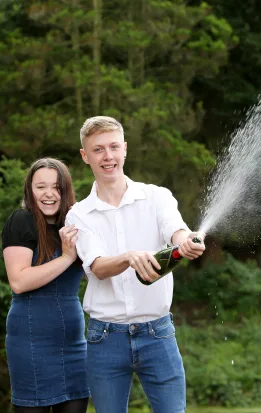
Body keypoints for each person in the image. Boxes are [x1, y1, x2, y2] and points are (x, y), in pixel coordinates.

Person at [65, 116, 206, 413]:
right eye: (98, 149)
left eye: (114, 147)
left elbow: (175, 229)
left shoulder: (157, 197)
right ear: (85, 156)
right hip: (105, 338)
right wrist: (129, 256)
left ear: (125, 149)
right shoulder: (79, 215)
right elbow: (98, 267)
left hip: (158, 334)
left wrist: (187, 239)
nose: (108, 156)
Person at [2, 158, 90, 413]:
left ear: (66, 191)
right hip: (31, 340)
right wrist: (65, 258)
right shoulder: (21, 221)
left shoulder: (76, 227)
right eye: (41, 187)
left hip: (73, 341)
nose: (49, 194)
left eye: (57, 187)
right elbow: (19, 282)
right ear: (30, 190)